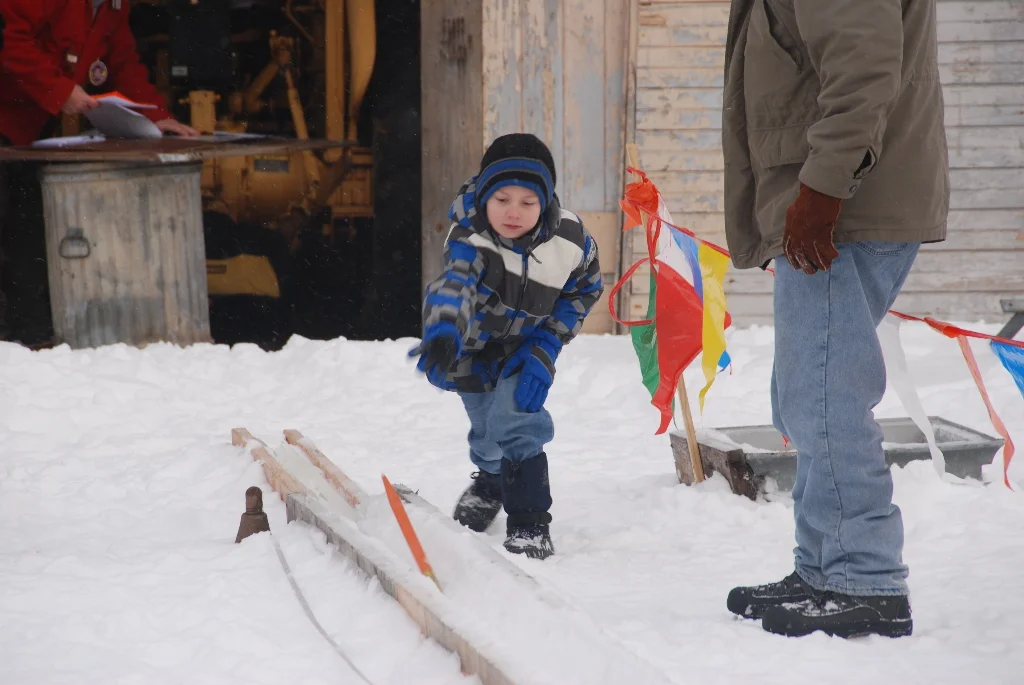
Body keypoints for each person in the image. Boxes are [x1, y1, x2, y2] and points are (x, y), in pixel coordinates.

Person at [720, 0, 949, 637]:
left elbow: (863, 68)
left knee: (826, 394)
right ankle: (824, 568)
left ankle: (866, 579)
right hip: (838, 201)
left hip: (844, 206)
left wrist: (821, 189)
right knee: (808, 393)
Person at [410, 133, 603, 560]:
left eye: (527, 202)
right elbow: (454, 286)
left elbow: (585, 288)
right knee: (486, 431)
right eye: (501, 200)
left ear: (546, 201)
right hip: (475, 349)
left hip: (528, 345)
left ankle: (530, 523)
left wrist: (548, 342)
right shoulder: (470, 238)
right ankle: (491, 479)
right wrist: (444, 330)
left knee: (517, 422)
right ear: (483, 196)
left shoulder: (570, 240)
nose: (513, 213)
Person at [0, 0, 198, 342]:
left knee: (27, 230)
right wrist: (59, 90)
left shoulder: (113, 8)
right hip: (12, 121)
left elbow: (122, 63)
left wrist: (155, 116)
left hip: (29, 131)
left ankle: (28, 333)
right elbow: (9, 41)